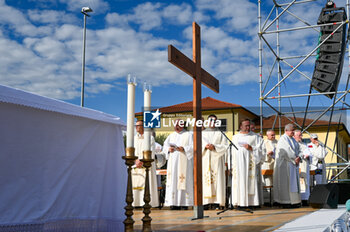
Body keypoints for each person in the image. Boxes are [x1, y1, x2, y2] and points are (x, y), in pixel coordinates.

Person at [231, 119, 263, 208]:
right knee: (239, 182)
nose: (248, 127)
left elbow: (261, 149)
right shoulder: (235, 137)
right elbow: (232, 152)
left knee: (251, 181)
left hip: (250, 164)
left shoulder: (255, 137)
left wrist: (251, 148)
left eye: (249, 125)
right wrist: (232, 164)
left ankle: (251, 202)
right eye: (246, 126)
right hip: (239, 165)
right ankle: (240, 202)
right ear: (241, 126)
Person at [162, 119, 193, 209]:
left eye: (178, 125)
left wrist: (184, 149)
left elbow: (193, 146)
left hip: (185, 162)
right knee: (173, 181)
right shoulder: (171, 136)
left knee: (184, 180)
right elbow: (165, 146)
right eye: (175, 125)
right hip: (173, 162)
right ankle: (173, 203)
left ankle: (184, 203)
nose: (176, 127)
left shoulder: (189, 135)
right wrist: (168, 149)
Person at [202, 114, 229, 209]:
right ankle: (205, 202)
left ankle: (217, 202)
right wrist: (204, 146)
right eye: (211, 120)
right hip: (205, 159)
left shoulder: (221, 133)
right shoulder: (202, 133)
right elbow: (197, 145)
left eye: (214, 121)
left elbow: (226, 146)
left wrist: (215, 147)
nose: (212, 123)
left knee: (218, 180)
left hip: (217, 159)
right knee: (205, 180)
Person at [132, 120, 159, 207]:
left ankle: (147, 202)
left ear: (143, 126)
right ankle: (136, 202)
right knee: (136, 182)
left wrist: (142, 160)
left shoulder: (150, 138)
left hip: (147, 164)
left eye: (138, 125)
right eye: (136, 126)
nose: (136, 127)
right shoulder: (134, 138)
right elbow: (131, 151)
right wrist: (136, 160)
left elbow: (151, 151)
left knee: (147, 183)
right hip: (136, 164)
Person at [273, 124, 301, 208]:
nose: (293, 132)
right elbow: (286, 151)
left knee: (293, 183)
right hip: (284, 164)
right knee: (286, 184)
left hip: (292, 164)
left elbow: (299, 149)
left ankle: (295, 201)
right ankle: (286, 201)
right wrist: (294, 158)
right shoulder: (283, 139)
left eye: (293, 130)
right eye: (291, 130)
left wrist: (299, 157)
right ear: (286, 130)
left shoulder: (293, 140)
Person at [294, 130, 311, 205]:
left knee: (305, 182)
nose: (301, 137)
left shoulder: (304, 144)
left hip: (304, 165)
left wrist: (308, 156)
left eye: (301, 135)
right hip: (297, 165)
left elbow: (309, 153)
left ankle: (305, 199)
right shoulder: (293, 144)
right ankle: (297, 199)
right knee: (298, 182)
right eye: (299, 135)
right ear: (294, 136)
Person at [261, 129, 277, 204]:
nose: (274, 136)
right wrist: (267, 154)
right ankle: (267, 200)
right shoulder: (264, 143)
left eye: (274, 134)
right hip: (267, 164)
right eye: (272, 135)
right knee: (267, 183)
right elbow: (261, 154)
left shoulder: (278, 142)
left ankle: (275, 200)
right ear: (267, 136)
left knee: (275, 183)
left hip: (275, 164)